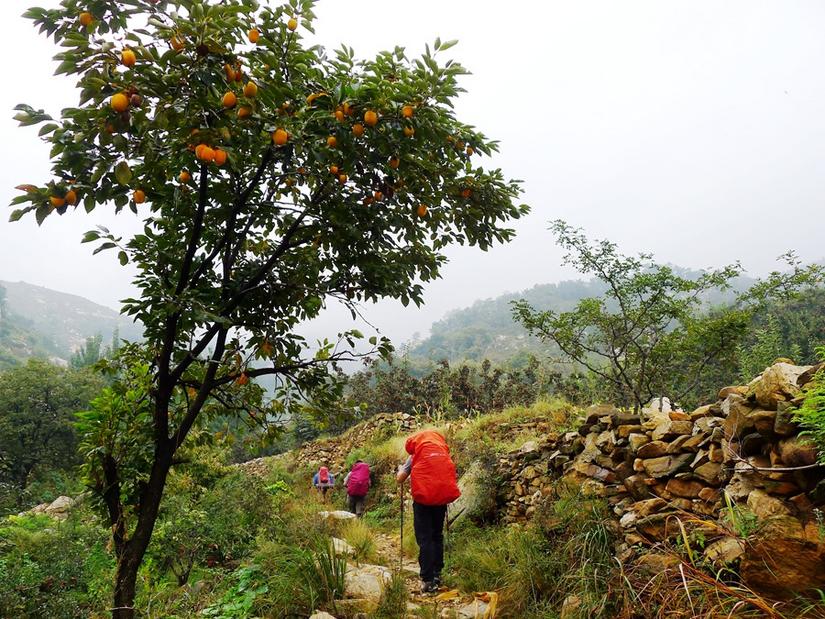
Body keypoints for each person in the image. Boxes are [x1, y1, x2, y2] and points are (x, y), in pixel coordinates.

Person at [396, 429, 461, 593]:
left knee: (425, 539)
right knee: (437, 535)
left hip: (422, 501)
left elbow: (400, 479)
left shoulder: (414, 457)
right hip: (440, 500)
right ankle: (438, 573)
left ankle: (427, 579)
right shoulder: (443, 454)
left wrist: (400, 470)